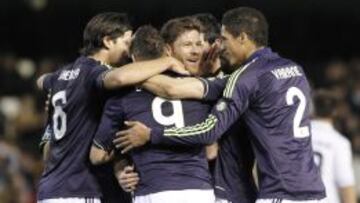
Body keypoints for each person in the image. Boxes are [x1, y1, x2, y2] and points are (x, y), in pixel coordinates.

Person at [115, 7, 326, 202]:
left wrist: (126, 75)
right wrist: (121, 168)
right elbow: (113, 146)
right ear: (169, 49)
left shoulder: (239, 80)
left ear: (241, 38)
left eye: (203, 43)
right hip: (305, 188)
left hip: (239, 192)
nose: (199, 50)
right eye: (188, 44)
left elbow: (175, 92)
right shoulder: (293, 69)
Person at [36, 12, 187, 203]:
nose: (129, 50)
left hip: (50, 188)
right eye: (125, 42)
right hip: (78, 188)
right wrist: (168, 61)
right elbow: (119, 77)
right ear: (108, 41)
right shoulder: (96, 72)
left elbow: (41, 81)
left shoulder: (61, 75)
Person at [90, 22, 215, 203]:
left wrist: (121, 165)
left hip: (153, 190)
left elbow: (97, 155)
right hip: (199, 191)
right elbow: (211, 151)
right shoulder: (196, 87)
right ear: (166, 52)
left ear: (132, 58)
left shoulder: (122, 96)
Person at [311, 90, 357, 203]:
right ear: (335, 111)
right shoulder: (340, 142)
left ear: (312, 108)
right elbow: (345, 183)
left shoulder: (297, 136)